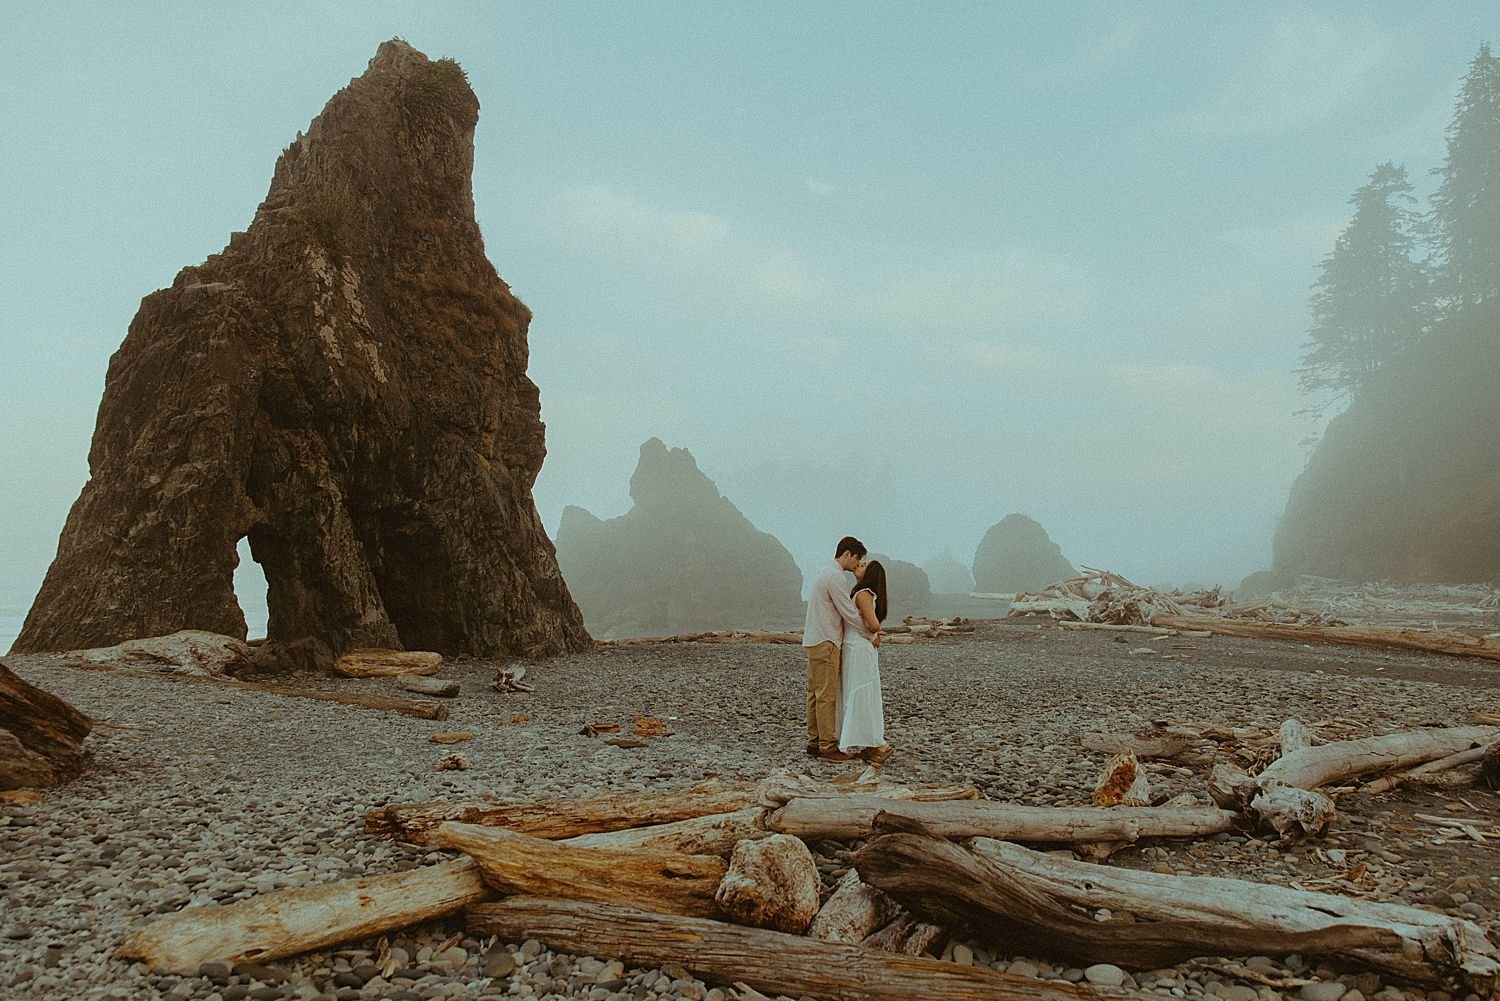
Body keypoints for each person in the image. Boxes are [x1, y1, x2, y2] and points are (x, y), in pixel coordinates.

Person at [802, 536, 878, 761]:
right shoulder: (835, 577)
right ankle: (827, 747)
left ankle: (814, 741)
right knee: (826, 695)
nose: (857, 564)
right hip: (827, 640)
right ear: (847, 553)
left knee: (815, 693)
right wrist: (870, 633)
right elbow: (849, 612)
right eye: (856, 559)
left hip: (814, 639)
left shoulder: (825, 573)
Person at [837, 559, 892, 764]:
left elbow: (874, 624)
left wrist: (873, 632)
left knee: (859, 692)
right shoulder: (864, 593)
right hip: (859, 647)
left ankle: (877, 743)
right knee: (861, 692)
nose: (859, 565)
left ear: (870, 574)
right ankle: (871, 742)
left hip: (858, 648)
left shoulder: (863, 594)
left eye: (864, 565)